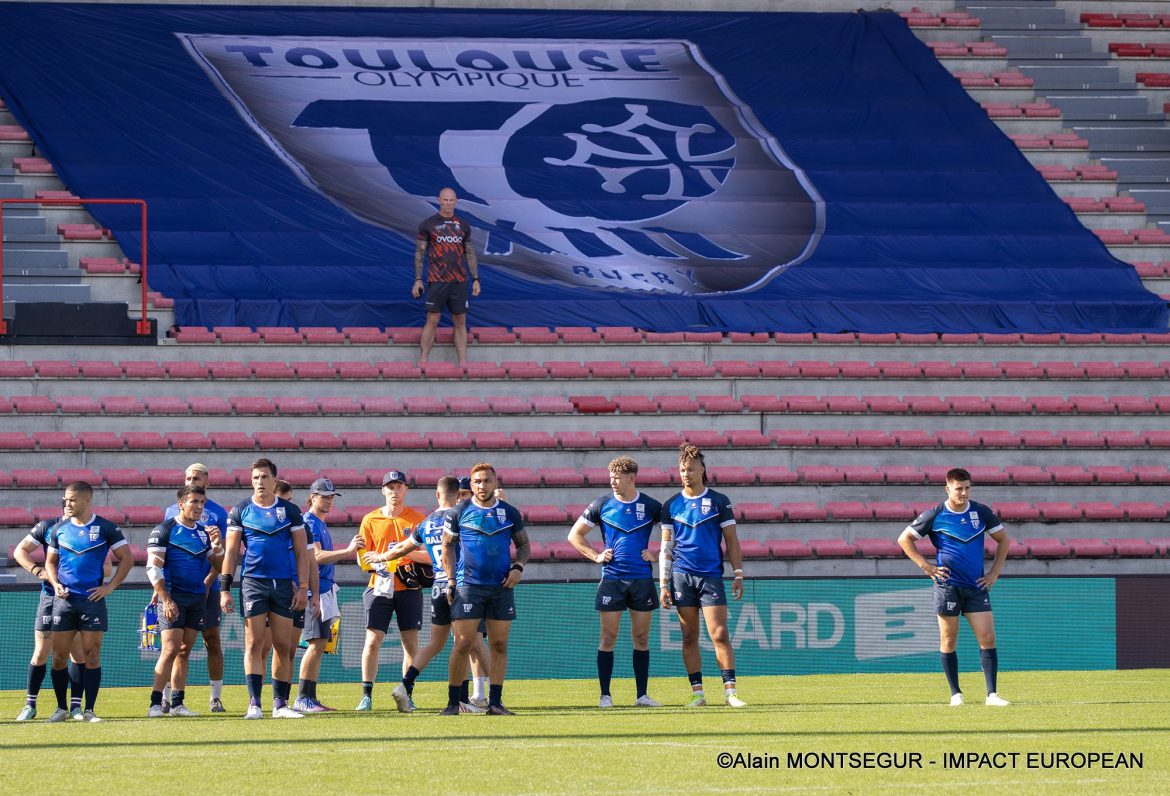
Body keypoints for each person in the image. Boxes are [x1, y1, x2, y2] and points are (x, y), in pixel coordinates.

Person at [375, 475, 492, 713]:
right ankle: (471, 698)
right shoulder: (462, 517)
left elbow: (403, 548)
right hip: (461, 586)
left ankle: (405, 685)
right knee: (467, 643)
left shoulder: (426, 523)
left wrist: (380, 557)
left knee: (435, 644)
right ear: (458, 496)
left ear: (437, 495)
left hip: (438, 586)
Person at [897, 467, 1011, 707]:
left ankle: (992, 694)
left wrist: (994, 574)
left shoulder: (980, 512)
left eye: (968, 488)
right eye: (959, 488)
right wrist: (927, 567)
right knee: (948, 640)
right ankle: (955, 694)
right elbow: (904, 539)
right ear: (947, 489)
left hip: (976, 585)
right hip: (947, 586)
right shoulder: (935, 514)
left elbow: (1003, 540)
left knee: (988, 638)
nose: (964, 493)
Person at [219, 458, 316, 719]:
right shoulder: (240, 511)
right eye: (255, 478)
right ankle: (254, 704)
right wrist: (225, 588)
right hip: (253, 583)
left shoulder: (290, 511)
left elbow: (301, 553)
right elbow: (230, 552)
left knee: (284, 646)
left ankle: (280, 705)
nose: (259, 482)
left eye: (264, 477)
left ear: (274, 480)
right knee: (253, 643)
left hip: (283, 584)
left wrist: (303, 587)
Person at [568, 456, 663, 708]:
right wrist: (596, 556)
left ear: (632, 479)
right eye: (611, 477)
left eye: (617, 477)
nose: (613, 482)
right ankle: (605, 695)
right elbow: (574, 535)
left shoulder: (651, 506)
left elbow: (673, 536)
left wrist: (657, 554)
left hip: (642, 579)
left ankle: (641, 695)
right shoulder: (602, 504)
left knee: (641, 638)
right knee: (608, 637)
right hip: (612, 579)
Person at [660, 444, 746, 708]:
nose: (686, 474)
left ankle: (730, 692)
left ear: (702, 470)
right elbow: (666, 546)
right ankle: (697, 693)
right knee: (689, 636)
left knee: (719, 633)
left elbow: (731, 540)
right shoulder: (671, 505)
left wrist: (738, 572)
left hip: (710, 576)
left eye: (691, 469)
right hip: (681, 576)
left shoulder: (720, 501)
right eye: (682, 470)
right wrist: (663, 583)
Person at [440, 462, 530, 716]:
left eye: (487, 480)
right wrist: (450, 580)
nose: (482, 485)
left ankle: (496, 703)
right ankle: (452, 703)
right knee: (463, 643)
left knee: (499, 644)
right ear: (471, 483)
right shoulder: (459, 512)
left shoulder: (509, 512)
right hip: (469, 586)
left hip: (501, 587)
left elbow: (523, 545)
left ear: (495, 482)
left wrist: (518, 568)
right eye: (477, 481)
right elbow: (447, 546)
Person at [43, 481, 135, 722]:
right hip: (64, 601)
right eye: (66, 499)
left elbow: (127, 558)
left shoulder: (106, 528)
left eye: (72, 499)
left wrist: (110, 586)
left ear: (86, 500)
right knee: (59, 657)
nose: (67, 503)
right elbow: (50, 562)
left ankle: (89, 710)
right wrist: (55, 584)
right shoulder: (59, 529)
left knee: (92, 654)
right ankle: (62, 708)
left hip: (92, 600)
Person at [146, 486, 224, 717]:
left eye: (202, 502)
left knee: (184, 650)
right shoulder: (164, 530)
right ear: (181, 504)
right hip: (173, 596)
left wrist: (217, 546)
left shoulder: (203, 533)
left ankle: (178, 704)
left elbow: (219, 566)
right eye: (194, 502)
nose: (199, 507)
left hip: (196, 597)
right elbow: (153, 568)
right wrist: (166, 600)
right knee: (169, 650)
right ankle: (155, 704)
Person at [355, 470, 428, 711]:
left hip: (409, 586)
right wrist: (381, 562)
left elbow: (430, 556)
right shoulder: (370, 519)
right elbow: (362, 559)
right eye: (390, 487)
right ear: (382, 490)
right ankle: (366, 694)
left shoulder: (417, 519)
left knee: (410, 643)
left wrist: (403, 552)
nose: (395, 492)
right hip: (379, 585)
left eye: (399, 487)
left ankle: (407, 692)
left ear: (405, 489)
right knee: (373, 639)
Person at [162, 462, 229, 713]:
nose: (192, 481)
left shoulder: (218, 513)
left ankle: (215, 697)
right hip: (178, 588)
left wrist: (211, 582)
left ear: (207, 482)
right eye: (189, 477)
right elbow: (164, 553)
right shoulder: (171, 511)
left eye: (197, 478)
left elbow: (220, 551)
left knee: (212, 640)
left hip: (206, 588)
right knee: (176, 646)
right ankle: (168, 697)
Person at [294, 478, 364, 713]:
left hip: (323, 589)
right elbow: (315, 556)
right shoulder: (310, 523)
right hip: (317, 590)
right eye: (324, 496)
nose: (329, 500)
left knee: (320, 642)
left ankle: (310, 697)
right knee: (315, 643)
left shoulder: (319, 523)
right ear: (312, 497)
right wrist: (347, 551)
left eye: (331, 496)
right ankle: (303, 697)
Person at [12, 514, 89, 721]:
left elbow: (107, 564)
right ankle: (30, 705)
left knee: (77, 653)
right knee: (41, 652)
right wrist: (38, 571)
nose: (72, 506)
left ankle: (74, 708)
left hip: (76, 598)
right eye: (69, 501)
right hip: (49, 597)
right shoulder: (47, 527)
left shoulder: (90, 529)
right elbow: (20, 551)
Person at [412, 187, 480, 364]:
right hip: (437, 279)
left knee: (460, 320)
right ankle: (423, 360)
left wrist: (476, 279)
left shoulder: (463, 225)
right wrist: (418, 279)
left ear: (456, 201)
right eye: (445, 200)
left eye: (451, 200)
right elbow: (419, 253)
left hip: (459, 280)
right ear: (439, 200)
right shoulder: (428, 224)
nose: (448, 203)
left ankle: (463, 362)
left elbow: (470, 253)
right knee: (432, 319)